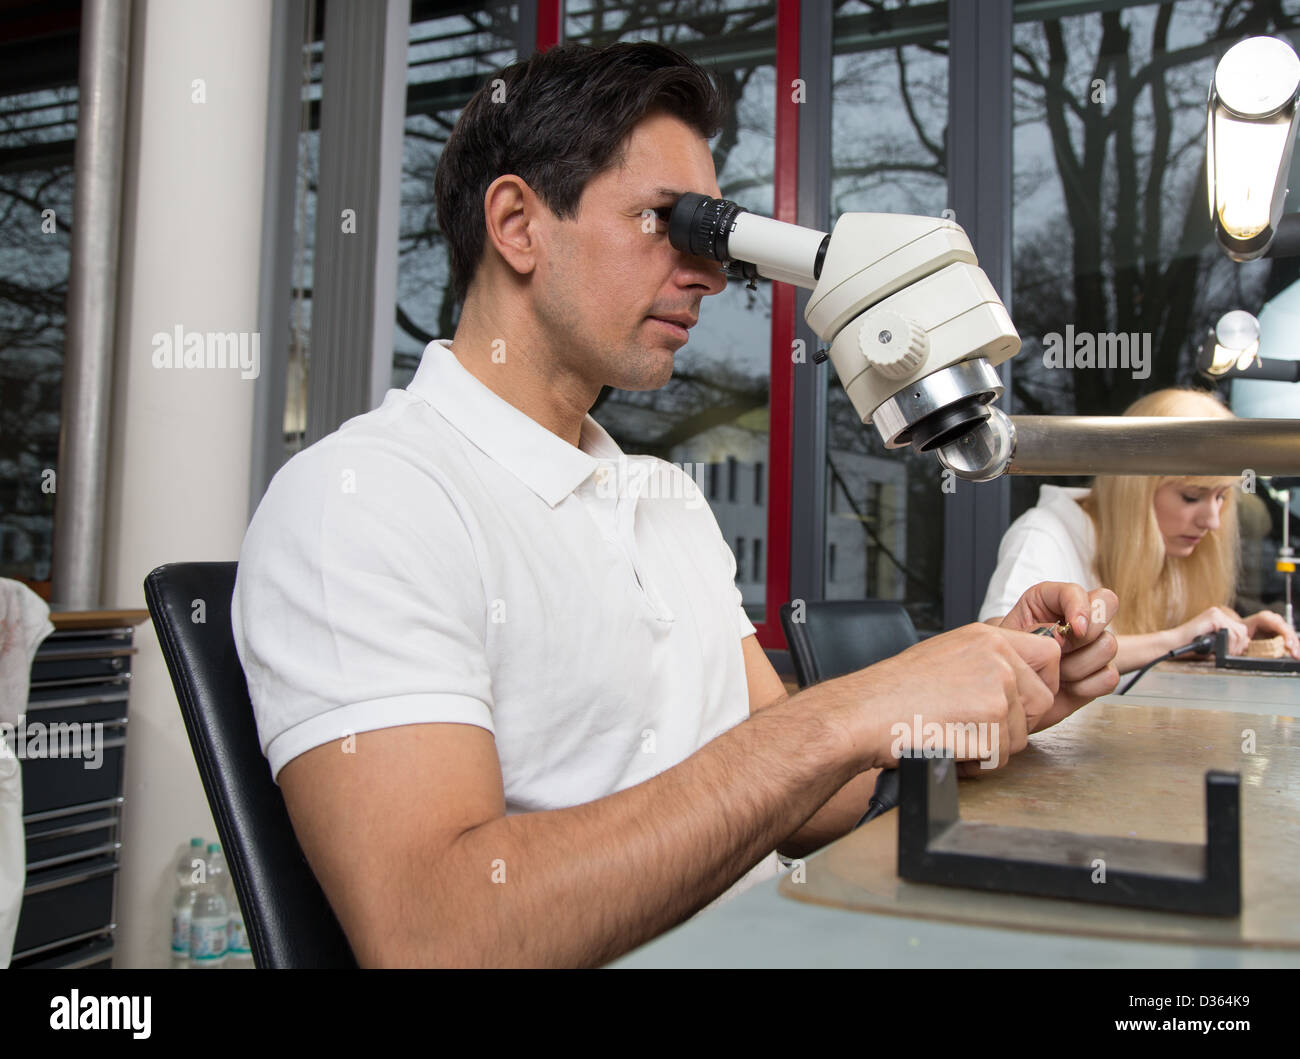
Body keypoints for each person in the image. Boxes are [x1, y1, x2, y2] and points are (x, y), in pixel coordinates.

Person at [231, 41, 1119, 968]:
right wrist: (849, 709)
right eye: (667, 222)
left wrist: (973, 699)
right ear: (517, 223)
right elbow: (437, 935)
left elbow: (807, 794)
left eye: (713, 238)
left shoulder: (662, 499)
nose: (707, 273)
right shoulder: (366, 502)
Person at [979, 387, 1300, 672]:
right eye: (1191, 497)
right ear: (1137, 489)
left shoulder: (1174, 546)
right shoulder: (1044, 535)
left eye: (1221, 497)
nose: (1213, 522)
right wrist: (1175, 640)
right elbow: (1002, 655)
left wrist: (1232, 636)